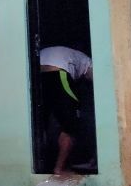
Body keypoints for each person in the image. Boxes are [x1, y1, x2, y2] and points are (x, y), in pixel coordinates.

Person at [39, 46, 93, 175]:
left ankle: (44, 165)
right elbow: (95, 80)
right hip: (57, 73)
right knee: (70, 127)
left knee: (41, 125)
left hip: (36, 76)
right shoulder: (88, 62)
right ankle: (59, 168)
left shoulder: (74, 56)